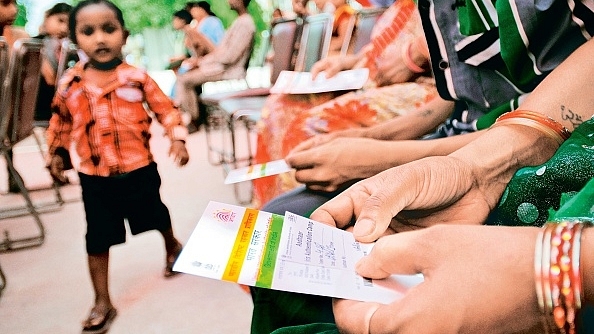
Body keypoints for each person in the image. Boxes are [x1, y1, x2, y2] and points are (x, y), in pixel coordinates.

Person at [251, 0, 594, 332]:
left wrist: (556, 269)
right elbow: (463, 94)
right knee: (290, 233)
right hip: (508, 141)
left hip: (566, 177)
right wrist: (476, 170)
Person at [45, 1, 190, 332]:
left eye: (108, 29)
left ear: (123, 35)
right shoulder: (70, 83)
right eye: (88, 31)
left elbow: (166, 110)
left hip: (138, 167)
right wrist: (55, 153)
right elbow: (60, 121)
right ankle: (102, 300)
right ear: (74, 39)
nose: (100, 39)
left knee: (154, 213)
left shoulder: (137, 78)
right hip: (94, 177)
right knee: (97, 236)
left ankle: (172, 245)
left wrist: (177, 138)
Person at [253, 0, 439, 207]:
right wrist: (346, 61)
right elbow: (376, 49)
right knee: (279, 107)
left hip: (426, 84)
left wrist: (417, 53)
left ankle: (302, 209)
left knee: (310, 126)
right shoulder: (402, 5)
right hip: (370, 78)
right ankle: (269, 206)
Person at [174, 0, 255, 128]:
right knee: (186, 74)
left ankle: (195, 120)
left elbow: (229, 57)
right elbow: (222, 53)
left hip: (230, 69)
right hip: (222, 65)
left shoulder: (245, 23)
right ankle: (198, 116)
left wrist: (202, 62)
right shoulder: (239, 21)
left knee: (185, 80)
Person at [1, 0, 30, 194]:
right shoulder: (22, 39)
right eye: (5, 3)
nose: (14, 9)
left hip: (7, 120)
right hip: (14, 123)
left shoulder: (17, 40)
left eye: (13, 2)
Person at [33, 2, 72, 123]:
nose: (64, 28)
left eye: (70, 24)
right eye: (60, 21)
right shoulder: (33, 44)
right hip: (36, 115)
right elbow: (50, 79)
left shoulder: (71, 51)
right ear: (47, 17)